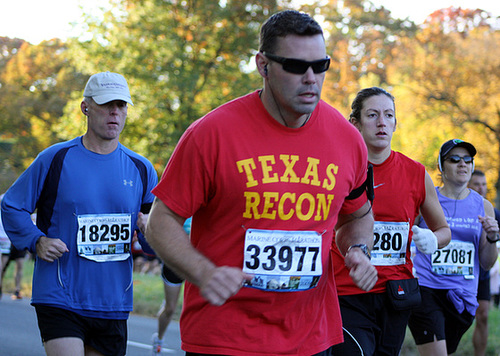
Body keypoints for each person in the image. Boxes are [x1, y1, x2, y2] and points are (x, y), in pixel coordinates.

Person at [146, 10, 378, 356]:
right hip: (225, 337)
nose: (311, 78)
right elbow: (159, 221)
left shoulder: (348, 139)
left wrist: (357, 251)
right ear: (263, 65)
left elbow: (358, 215)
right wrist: (203, 272)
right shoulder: (211, 134)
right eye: (296, 66)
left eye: (321, 65)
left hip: (310, 337)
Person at [1, 71, 158, 356]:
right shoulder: (55, 158)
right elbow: (12, 205)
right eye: (107, 103)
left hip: (113, 300)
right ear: (85, 107)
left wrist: (149, 230)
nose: (115, 112)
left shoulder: (142, 169)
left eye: (121, 105)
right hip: (59, 294)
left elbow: (151, 242)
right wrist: (37, 240)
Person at [330, 87, 451, 355]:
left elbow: (444, 230)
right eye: (372, 115)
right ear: (355, 123)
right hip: (348, 291)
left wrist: (432, 239)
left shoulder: (416, 173)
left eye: (388, 115)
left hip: (396, 294)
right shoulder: (336, 171)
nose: (382, 122)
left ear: (396, 123)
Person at [408, 139, 499, 355]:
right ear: (441, 165)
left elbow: (486, 263)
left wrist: (493, 237)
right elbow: (406, 235)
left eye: (468, 160)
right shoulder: (427, 200)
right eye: (454, 159)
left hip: (463, 298)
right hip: (427, 290)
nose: (462, 164)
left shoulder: (483, 206)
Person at [468, 169, 500, 356]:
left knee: (484, 315)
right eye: (476, 184)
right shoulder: (459, 207)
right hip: (458, 271)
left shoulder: (493, 212)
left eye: (484, 184)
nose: (481, 188)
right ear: (468, 186)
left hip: (483, 271)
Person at [151, 217, 190, 355]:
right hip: (175, 258)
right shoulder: (181, 201)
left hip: (199, 259)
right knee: (170, 308)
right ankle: (159, 339)